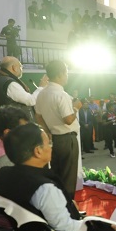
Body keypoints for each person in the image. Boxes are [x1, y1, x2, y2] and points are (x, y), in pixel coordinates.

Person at [0, 124, 97, 231]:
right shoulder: (45, 188)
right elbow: (65, 229)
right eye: (49, 143)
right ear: (38, 151)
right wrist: (94, 224)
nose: (51, 147)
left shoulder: (5, 175)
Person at [34, 60, 82, 197]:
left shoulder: (41, 94)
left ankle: (57, 205)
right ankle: (69, 209)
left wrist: (47, 131)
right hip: (67, 139)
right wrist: (76, 107)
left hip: (53, 139)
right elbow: (68, 120)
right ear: (61, 74)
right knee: (68, 176)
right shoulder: (62, 95)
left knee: (57, 174)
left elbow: (38, 117)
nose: (67, 76)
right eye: (66, 73)